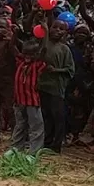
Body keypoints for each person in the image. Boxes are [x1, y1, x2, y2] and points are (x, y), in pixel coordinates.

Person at [39, 19, 75, 153]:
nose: (57, 31)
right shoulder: (44, 44)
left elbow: (70, 70)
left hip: (56, 88)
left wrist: (56, 70)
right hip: (42, 85)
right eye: (55, 27)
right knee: (45, 115)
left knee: (57, 116)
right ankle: (46, 142)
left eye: (61, 29)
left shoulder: (65, 49)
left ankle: (56, 145)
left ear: (65, 33)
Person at [10, 38, 46, 155]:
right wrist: (13, 35)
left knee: (35, 127)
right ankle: (16, 148)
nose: (28, 56)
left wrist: (45, 32)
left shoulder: (37, 65)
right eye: (25, 53)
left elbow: (44, 49)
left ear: (37, 54)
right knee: (20, 125)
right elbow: (13, 48)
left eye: (32, 54)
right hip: (19, 101)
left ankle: (34, 152)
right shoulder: (20, 62)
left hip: (32, 102)